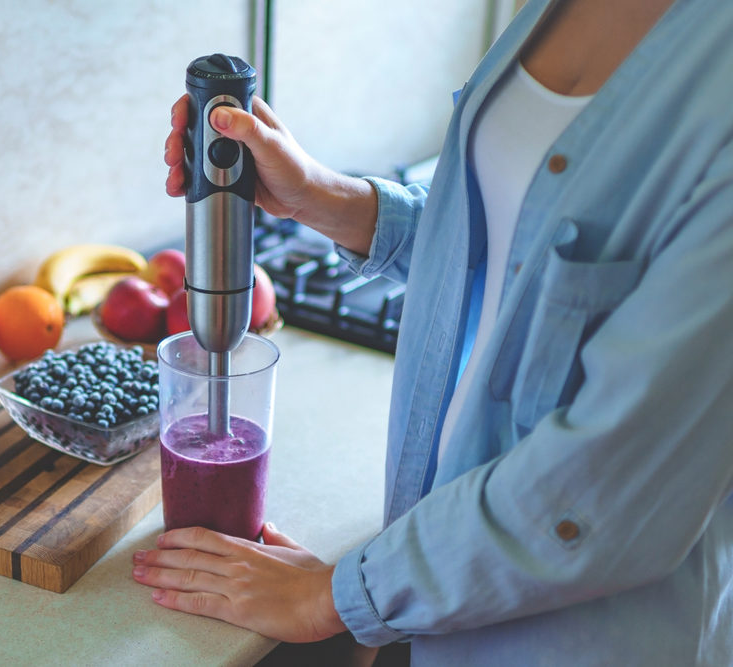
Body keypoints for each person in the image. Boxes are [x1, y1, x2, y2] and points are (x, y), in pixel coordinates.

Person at [132, 0, 733, 663]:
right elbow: (520, 251)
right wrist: (320, 196)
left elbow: (611, 484)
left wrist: (333, 593)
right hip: (440, 599)